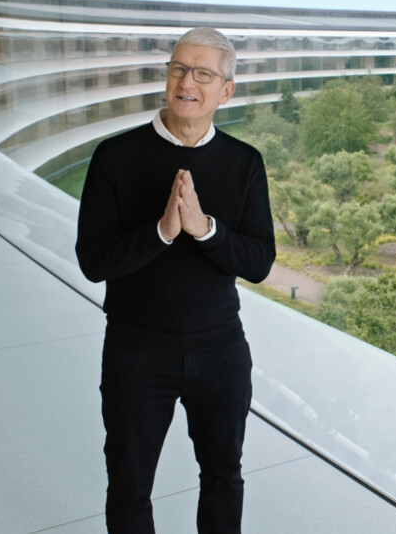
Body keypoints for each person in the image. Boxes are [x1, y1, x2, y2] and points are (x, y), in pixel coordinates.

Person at [75, 27, 275, 534]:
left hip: (221, 349)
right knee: (129, 485)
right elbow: (93, 261)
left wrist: (204, 229)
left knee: (224, 476)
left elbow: (258, 262)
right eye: (178, 69)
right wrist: (162, 232)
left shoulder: (245, 162)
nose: (187, 81)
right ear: (167, 78)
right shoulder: (114, 157)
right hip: (136, 350)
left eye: (203, 73)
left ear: (225, 91)